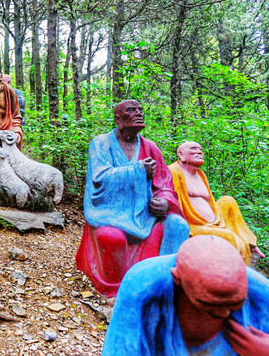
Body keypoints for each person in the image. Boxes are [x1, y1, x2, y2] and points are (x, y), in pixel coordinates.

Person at [75, 100, 189, 297]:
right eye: (131, 110)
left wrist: (164, 201)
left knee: (178, 225)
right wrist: (137, 171)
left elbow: (164, 184)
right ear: (118, 119)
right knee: (111, 238)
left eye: (140, 110)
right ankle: (116, 290)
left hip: (145, 216)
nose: (139, 113)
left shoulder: (150, 147)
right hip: (110, 215)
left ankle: (164, 283)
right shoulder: (101, 143)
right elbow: (99, 180)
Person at [103, 235, 269, 355]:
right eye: (210, 304)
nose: (224, 313)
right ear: (177, 278)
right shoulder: (143, 284)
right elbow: (119, 349)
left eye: (235, 304)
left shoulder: (259, 290)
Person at [170, 141, 264, 265]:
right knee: (232, 239)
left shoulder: (200, 174)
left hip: (214, 221)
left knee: (228, 200)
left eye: (201, 149)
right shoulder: (173, 171)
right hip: (193, 225)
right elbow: (171, 203)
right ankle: (237, 275)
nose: (199, 152)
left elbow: (211, 203)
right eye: (194, 148)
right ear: (181, 154)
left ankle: (250, 242)